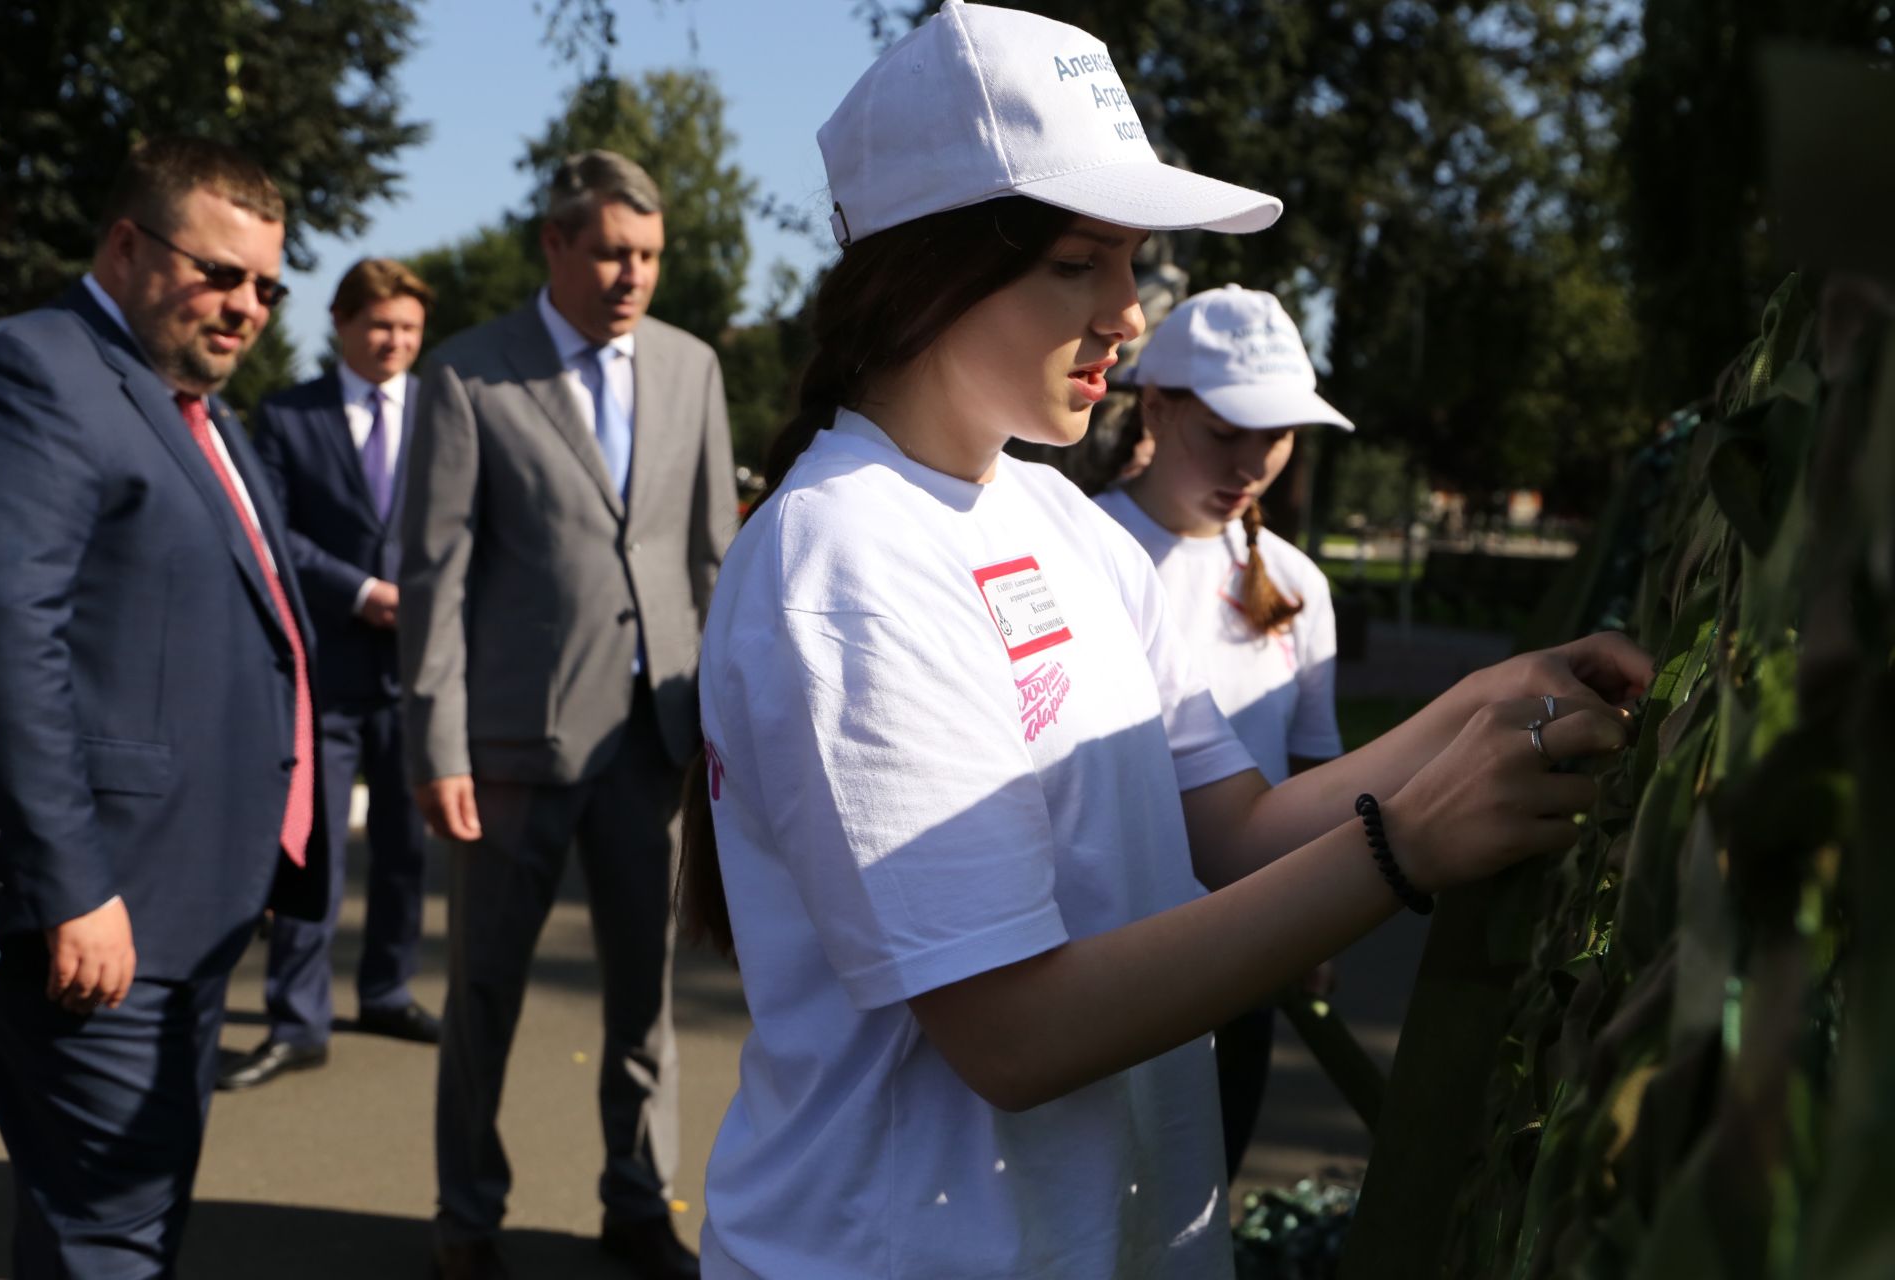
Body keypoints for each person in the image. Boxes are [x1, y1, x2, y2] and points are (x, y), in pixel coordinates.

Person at [679, 4, 1650, 1277]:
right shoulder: (845, 561)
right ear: (923, 270)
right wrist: (1400, 847)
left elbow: (1231, 828)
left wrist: (1478, 708)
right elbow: (1012, 1032)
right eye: (1080, 263)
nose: (1130, 314)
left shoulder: (1050, 515)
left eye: (1132, 261)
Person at [0, 136, 329, 1277]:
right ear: (126, 245)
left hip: (189, 907)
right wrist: (72, 884)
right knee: (113, 1240)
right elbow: (5, 632)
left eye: (267, 287)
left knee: (112, 1226)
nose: (245, 308)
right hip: (103, 918)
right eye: (218, 273)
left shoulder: (202, 413)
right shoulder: (36, 370)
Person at [399, 149, 736, 1280]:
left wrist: (728, 723)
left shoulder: (691, 367)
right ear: (555, 245)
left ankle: (638, 1198)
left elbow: (708, 556)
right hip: (509, 750)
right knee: (483, 990)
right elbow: (436, 579)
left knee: (646, 993)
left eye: (647, 254)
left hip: (657, 742)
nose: (630, 275)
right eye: (608, 252)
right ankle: (467, 1214)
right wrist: (436, 744)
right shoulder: (467, 376)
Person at [1093, 284, 1352, 1179]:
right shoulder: (1080, 556)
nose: (1253, 462)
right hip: (1108, 966)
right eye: (1227, 432)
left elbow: (1315, 766)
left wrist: (1317, 927)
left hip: (1249, 957)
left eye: (1276, 435)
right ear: (1154, 409)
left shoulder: (1297, 584)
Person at [219, 259, 442, 1092]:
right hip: (324, 668)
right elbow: (269, 532)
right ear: (343, 323)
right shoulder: (286, 414)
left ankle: (387, 990)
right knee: (312, 851)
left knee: (405, 850)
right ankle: (296, 1018)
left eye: (411, 330)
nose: (396, 343)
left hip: (419, 672)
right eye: (382, 325)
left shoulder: (444, 410)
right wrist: (361, 592)